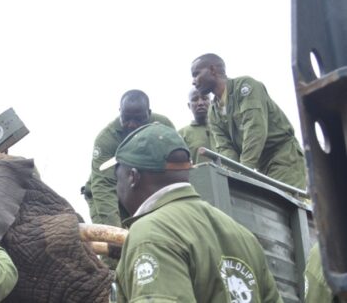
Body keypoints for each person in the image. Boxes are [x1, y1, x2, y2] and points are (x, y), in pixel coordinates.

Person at [106, 123, 282, 302]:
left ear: (132, 177)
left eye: (117, 178)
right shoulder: (243, 235)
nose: (116, 188)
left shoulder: (150, 233)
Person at [191, 53, 307, 189]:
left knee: (283, 204)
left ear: (212, 70)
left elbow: (255, 131)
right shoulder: (213, 112)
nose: (193, 81)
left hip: (284, 157)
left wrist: (244, 172)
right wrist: (234, 176)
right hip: (260, 165)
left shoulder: (245, 87)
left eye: (196, 74)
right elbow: (225, 148)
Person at [84, 89, 175, 228]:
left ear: (149, 114)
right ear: (120, 111)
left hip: (143, 191)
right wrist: (114, 230)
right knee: (114, 242)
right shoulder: (107, 139)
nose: (132, 125)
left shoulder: (163, 127)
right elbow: (103, 185)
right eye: (126, 118)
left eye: (139, 119)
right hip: (107, 194)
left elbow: (176, 168)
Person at [178, 88, 213, 164]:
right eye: (195, 99)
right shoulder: (182, 134)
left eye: (204, 98)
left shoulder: (223, 128)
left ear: (212, 102)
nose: (200, 103)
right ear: (189, 105)